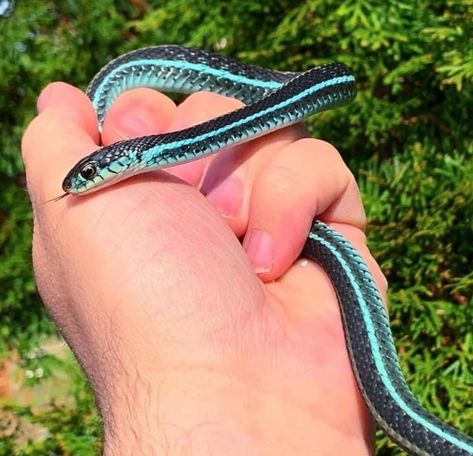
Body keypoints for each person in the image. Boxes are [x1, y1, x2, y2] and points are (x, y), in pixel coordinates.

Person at [22, 82, 387, 455]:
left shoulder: (151, 152)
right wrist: (209, 393)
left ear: (118, 161)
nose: (82, 185)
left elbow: (338, 81)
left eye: (88, 175)